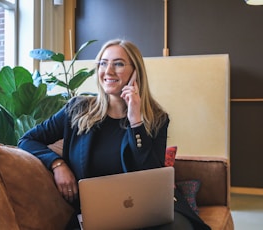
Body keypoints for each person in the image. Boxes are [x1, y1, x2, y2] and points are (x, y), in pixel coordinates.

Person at [18, 39, 210, 230]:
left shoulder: (156, 118)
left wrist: (136, 122)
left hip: (148, 211)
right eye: (103, 63)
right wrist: (57, 164)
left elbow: (152, 176)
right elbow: (27, 140)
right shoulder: (77, 110)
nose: (108, 71)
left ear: (136, 72)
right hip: (97, 215)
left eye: (118, 64)